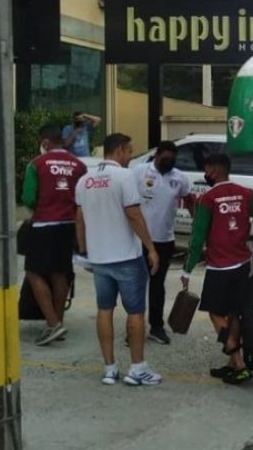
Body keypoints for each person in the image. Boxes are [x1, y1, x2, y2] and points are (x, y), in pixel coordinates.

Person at [75, 133, 162, 386]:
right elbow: (133, 213)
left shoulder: (84, 180)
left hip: (100, 258)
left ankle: (109, 368)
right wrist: (151, 247)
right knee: (135, 312)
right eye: (129, 151)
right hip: (126, 257)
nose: (129, 156)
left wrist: (84, 250)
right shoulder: (124, 176)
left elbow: (79, 218)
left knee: (105, 310)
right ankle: (137, 369)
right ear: (120, 151)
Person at [181, 153, 253, 385]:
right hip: (243, 264)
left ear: (215, 170)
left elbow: (198, 236)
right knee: (234, 313)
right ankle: (233, 365)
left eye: (207, 169)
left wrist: (187, 269)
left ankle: (238, 361)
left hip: (219, 267)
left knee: (215, 313)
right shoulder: (247, 193)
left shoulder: (208, 198)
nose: (205, 174)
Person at [22, 124, 87, 346]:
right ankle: (58, 321)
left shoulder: (36, 164)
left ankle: (52, 324)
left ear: (46, 143)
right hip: (69, 225)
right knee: (61, 273)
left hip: (43, 225)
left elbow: (29, 198)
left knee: (33, 272)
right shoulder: (79, 165)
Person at [131, 141, 190, 345]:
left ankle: (156, 326)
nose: (168, 164)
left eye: (172, 161)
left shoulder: (179, 178)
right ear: (156, 155)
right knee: (136, 285)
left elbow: (188, 197)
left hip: (164, 240)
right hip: (138, 240)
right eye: (165, 160)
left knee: (157, 286)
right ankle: (133, 329)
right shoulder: (139, 172)